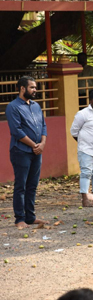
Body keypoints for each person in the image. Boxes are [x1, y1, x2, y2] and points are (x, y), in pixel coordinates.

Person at [6, 76, 49, 229]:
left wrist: (42, 144)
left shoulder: (37, 106)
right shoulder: (13, 107)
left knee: (33, 185)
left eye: (35, 87)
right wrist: (34, 145)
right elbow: (16, 131)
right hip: (21, 151)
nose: (35, 90)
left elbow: (43, 126)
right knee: (21, 185)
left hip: (37, 152)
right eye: (32, 87)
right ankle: (19, 219)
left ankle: (30, 217)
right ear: (22, 88)